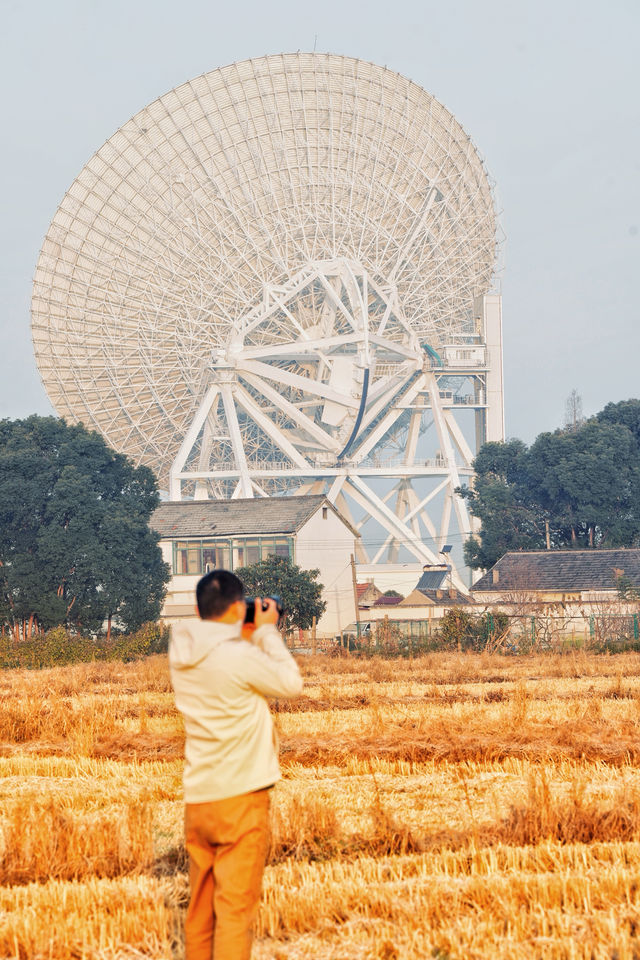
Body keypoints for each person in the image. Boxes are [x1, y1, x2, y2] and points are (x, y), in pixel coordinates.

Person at [169, 569, 303, 960]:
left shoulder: (182, 650)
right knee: (233, 913)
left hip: (199, 799)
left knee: (200, 912)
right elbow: (290, 684)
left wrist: (242, 628)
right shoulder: (240, 655)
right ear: (237, 605)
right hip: (241, 798)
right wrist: (264, 630)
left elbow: (217, 647)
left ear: (198, 608)